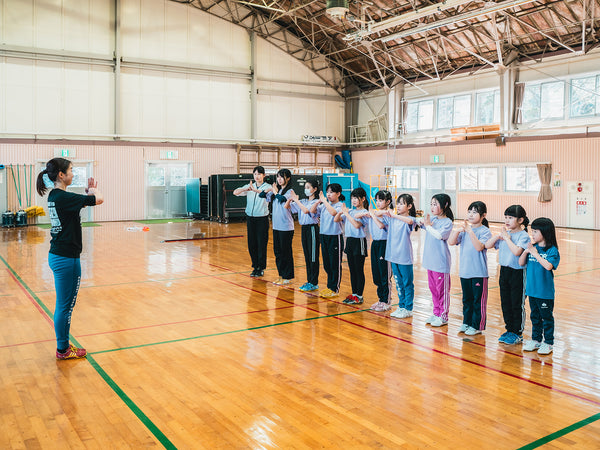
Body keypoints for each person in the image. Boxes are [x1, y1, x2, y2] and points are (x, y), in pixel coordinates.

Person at [36, 158, 104, 360]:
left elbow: (73, 208)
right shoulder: (64, 197)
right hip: (66, 259)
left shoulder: (56, 196)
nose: (73, 174)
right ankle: (63, 349)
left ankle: (63, 346)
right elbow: (99, 200)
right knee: (65, 306)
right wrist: (93, 191)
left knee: (63, 305)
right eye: (71, 170)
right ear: (61, 175)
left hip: (58, 255)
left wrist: (85, 195)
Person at [485, 205, 530, 345]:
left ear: (520, 220)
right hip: (504, 271)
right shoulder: (505, 234)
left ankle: (517, 333)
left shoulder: (523, 236)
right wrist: (499, 236)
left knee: (517, 303)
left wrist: (507, 238)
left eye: (510, 217)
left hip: (518, 272)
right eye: (506, 217)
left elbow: (517, 252)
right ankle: (509, 329)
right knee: (505, 302)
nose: (507, 220)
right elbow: (487, 245)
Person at [448, 201, 492, 336]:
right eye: (469, 211)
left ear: (483, 215)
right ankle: (466, 322)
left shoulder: (485, 231)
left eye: (474, 212)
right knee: (466, 300)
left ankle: (477, 325)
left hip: (478, 272)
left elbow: (479, 247)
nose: (471, 214)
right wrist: (457, 231)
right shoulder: (465, 230)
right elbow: (451, 242)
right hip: (465, 272)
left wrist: (470, 231)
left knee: (478, 301)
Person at [519, 218, 560, 355]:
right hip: (532, 291)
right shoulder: (533, 249)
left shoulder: (552, 251)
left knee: (546, 318)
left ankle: (548, 343)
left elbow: (548, 266)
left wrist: (535, 253)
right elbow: (520, 263)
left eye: (536, 231)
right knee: (535, 317)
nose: (533, 234)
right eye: (532, 231)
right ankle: (536, 340)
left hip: (545, 293)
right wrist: (526, 251)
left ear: (545, 232)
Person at [375, 193, 419, 318]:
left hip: (404, 257)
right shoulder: (392, 218)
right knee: (398, 283)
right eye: (398, 203)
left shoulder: (409, 220)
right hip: (393, 256)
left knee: (407, 283)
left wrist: (393, 214)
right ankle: (401, 306)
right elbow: (378, 213)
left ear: (409, 206)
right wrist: (387, 213)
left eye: (402, 203)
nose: (398, 206)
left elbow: (410, 220)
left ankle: (408, 308)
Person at [422, 193, 454, 327]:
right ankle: (436, 312)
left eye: (435, 204)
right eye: (431, 204)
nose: (432, 207)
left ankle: (443, 315)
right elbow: (420, 223)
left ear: (445, 205)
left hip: (441, 263)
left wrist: (428, 225)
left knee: (442, 291)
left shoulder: (447, 222)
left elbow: (440, 235)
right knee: (433, 289)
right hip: (430, 262)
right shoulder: (433, 219)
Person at [233, 166, 270, 277]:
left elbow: (267, 194)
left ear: (264, 175)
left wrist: (255, 190)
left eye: (259, 174)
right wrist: (246, 189)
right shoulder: (250, 186)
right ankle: (255, 266)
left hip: (262, 218)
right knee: (252, 243)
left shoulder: (268, 187)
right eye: (255, 174)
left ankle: (261, 267)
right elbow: (235, 192)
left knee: (261, 243)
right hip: (250, 218)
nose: (257, 176)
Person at [286, 179, 320, 292]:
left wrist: (297, 200)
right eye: (305, 187)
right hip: (304, 229)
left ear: (314, 189)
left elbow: (306, 211)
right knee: (307, 256)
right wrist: (291, 199)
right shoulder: (304, 200)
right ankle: (309, 281)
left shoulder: (317, 202)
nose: (306, 190)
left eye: (308, 187)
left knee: (313, 256)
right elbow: (288, 207)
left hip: (312, 229)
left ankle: (314, 282)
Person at [361, 190, 393, 312]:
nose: (378, 202)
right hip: (375, 244)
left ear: (388, 202)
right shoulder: (374, 212)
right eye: (377, 200)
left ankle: (386, 301)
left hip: (385, 244)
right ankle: (381, 299)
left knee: (384, 274)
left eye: (381, 200)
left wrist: (373, 214)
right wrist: (371, 213)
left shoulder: (388, 213)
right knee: (377, 274)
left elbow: (381, 225)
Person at [311, 183, 345, 298]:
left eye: (331, 192)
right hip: (323, 236)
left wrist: (324, 201)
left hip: (335, 236)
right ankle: (329, 287)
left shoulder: (340, 205)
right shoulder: (324, 205)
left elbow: (334, 213)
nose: (329, 195)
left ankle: (335, 288)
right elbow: (312, 211)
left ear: (338, 194)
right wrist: (317, 202)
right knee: (327, 264)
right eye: (327, 192)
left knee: (335, 263)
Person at [262, 169, 295, 285]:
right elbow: (262, 195)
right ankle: (281, 275)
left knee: (286, 252)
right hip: (276, 226)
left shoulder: (289, 191)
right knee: (278, 252)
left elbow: (282, 199)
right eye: (278, 177)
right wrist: (269, 189)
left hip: (286, 227)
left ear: (288, 178)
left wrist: (275, 192)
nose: (279, 179)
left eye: (282, 177)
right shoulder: (278, 190)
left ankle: (288, 276)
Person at [338, 187, 369, 305]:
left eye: (356, 198)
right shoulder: (350, 211)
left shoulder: (364, 212)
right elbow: (337, 219)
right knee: (352, 270)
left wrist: (346, 213)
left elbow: (357, 225)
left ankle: (359, 295)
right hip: (350, 241)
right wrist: (342, 212)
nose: (354, 200)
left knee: (358, 269)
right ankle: (354, 293)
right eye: (352, 198)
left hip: (359, 241)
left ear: (363, 199)